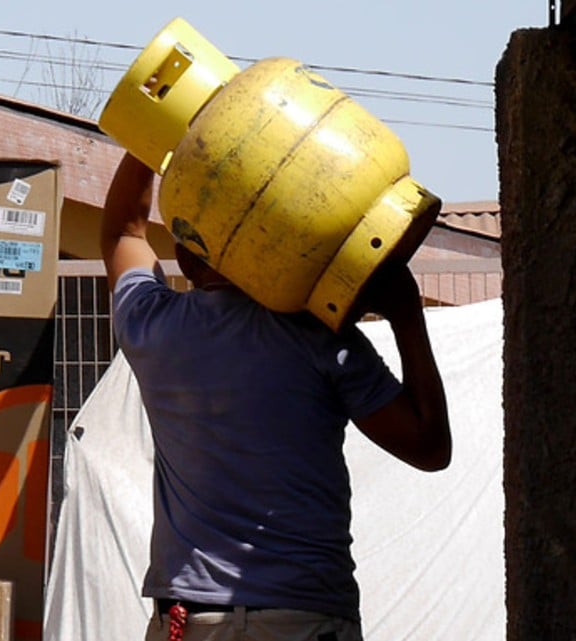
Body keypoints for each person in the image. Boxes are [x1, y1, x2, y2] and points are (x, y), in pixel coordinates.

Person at [101, 151, 451, 641]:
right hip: (304, 619)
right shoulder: (320, 338)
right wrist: (406, 315)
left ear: (185, 258)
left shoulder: (155, 328)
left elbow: (123, 232)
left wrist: (148, 137)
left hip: (191, 620)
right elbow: (429, 446)